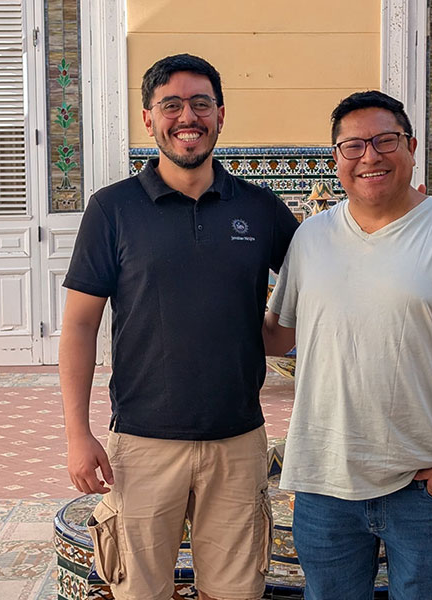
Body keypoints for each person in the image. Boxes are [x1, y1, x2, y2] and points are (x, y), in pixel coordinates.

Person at [262, 90, 432, 600]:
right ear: (336, 158)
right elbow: (281, 335)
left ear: (409, 148)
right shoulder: (311, 238)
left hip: (422, 486)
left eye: (385, 141)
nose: (370, 156)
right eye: (353, 145)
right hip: (323, 484)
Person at [59, 53, 299, 600]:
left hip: (237, 441)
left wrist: (398, 217)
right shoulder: (112, 209)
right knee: (140, 592)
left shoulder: (260, 208)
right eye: (171, 105)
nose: (186, 117)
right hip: (141, 444)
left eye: (200, 104)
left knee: (237, 592)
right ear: (149, 118)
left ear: (220, 114)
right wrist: (78, 434)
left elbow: (324, 273)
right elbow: (78, 327)